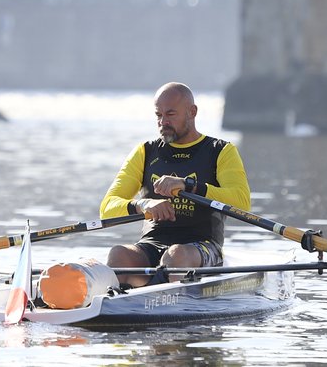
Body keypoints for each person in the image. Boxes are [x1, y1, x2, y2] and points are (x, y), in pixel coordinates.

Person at [99, 82, 250, 286]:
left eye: (170, 114)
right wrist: (142, 205)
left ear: (192, 112)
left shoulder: (221, 151)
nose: (163, 122)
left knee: (177, 255)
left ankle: (161, 294)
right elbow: (107, 208)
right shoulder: (145, 152)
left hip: (202, 247)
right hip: (152, 244)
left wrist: (189, 185)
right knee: (119, 254)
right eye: (158, 115)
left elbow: (241, 203)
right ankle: (115, 301)